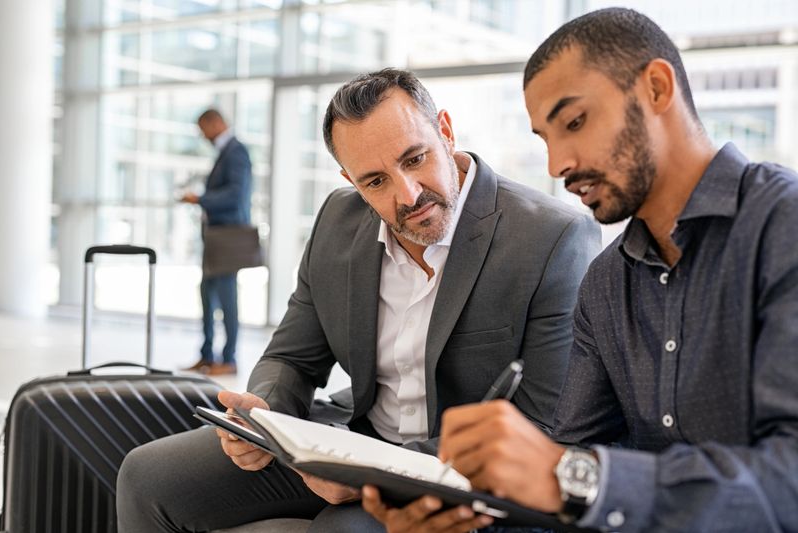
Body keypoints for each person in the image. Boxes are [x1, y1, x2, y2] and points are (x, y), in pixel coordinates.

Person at [362, 8, 798, 533]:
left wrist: (571, 476)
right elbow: (570, 459)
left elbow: (789, 480)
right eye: (546, 138)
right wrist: (461, 510)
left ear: (657, 89)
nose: (557, 164)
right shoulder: (607, 282)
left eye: (574, 122)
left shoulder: (783, 228)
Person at [116, 68, 600, 532]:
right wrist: (263, 414)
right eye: (375, 181)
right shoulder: (337, 221)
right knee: (146, 476)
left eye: (415, 159)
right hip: (349, 443)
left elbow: (544, 421)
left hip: (458, 472)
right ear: (351, 181)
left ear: (446, 132)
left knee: (344, 528)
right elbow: (291, 357)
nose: (408, 194)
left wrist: (373, 473)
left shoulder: (550, 237)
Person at [181, 109, 253, 376]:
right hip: (215, 238)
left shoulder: (236, 152)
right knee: (207, 294)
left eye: (203, 128)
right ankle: (207, 355)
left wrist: (200, 199)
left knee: (226, 298)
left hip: (227, 237)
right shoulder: (227, 152)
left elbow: (236, 195)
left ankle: (229, 359)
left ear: (217, 122)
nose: (203, 135)